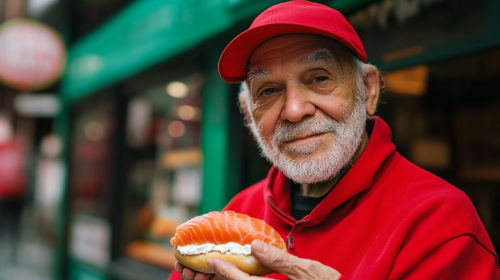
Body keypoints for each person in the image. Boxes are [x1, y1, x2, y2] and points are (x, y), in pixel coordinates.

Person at [170, 1, 499, 279]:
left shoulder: (440, 223)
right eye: (268, 91)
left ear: (368, 90)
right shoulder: (237, 214)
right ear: (248, 112)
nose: (295, 110)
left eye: (319, 78)